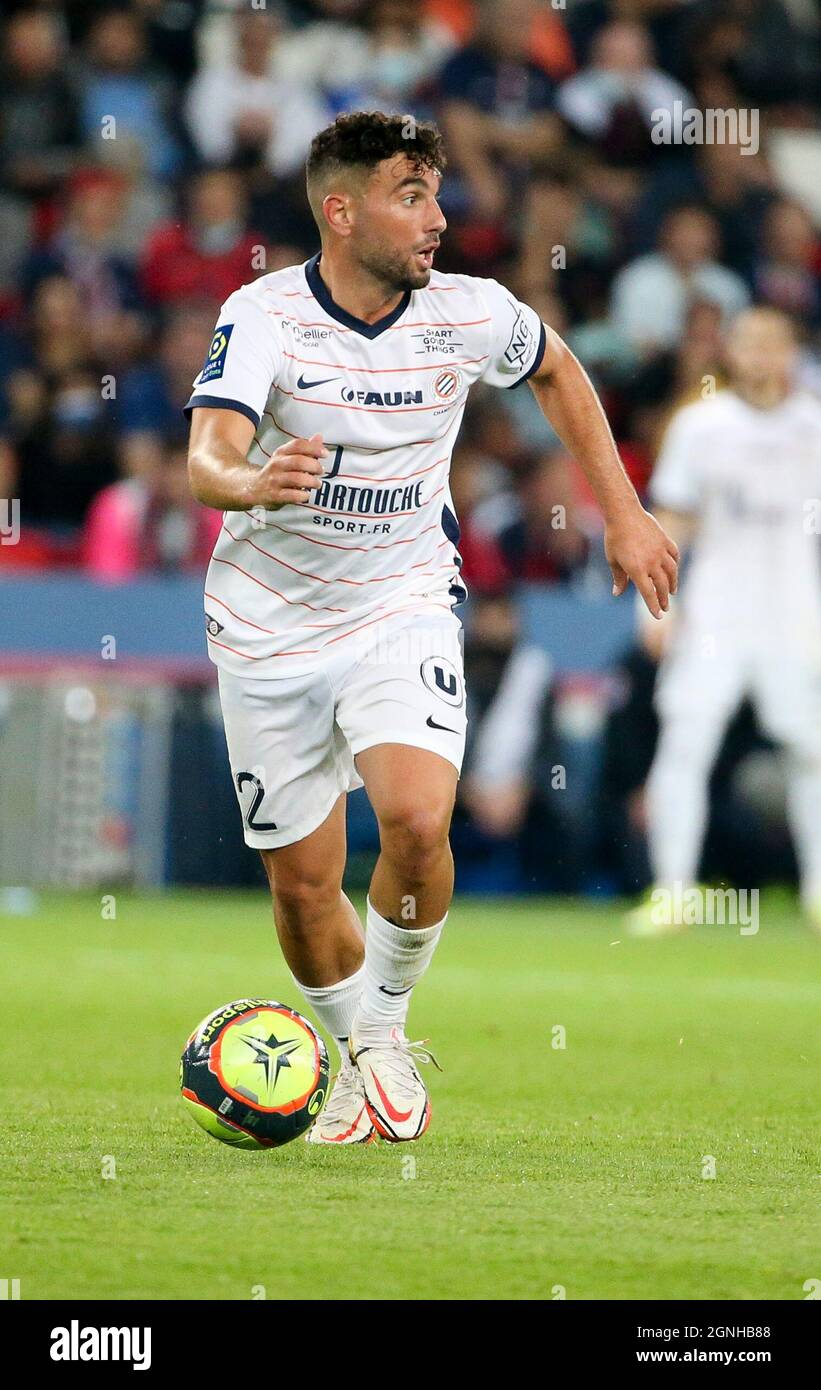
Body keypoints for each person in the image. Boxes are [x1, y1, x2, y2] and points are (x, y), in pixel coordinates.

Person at [185, 111, 678, 1145]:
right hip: (266, 626)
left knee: (415, 820)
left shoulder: (468, 311)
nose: (437, 219)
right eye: (410, 195)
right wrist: (252, 484)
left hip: (400, 599)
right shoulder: (264, 314)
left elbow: (555, 369)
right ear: (340, 208)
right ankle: (353, 1046)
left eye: (436, 194)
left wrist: (622, 511)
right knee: (303, 886)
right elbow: (207, 457)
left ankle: (389, 1031)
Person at [629, 307, 821, 936]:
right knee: (686, 742)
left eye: (776, 344)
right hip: (716, 610)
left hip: (795, 611)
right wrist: (656, 602)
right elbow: (672, 520)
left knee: (810, 751)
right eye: (750, 344)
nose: (763, 356)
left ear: (792, 352)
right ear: (730, 353)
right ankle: (674, 890)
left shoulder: (814, 425)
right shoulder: (701, 425)